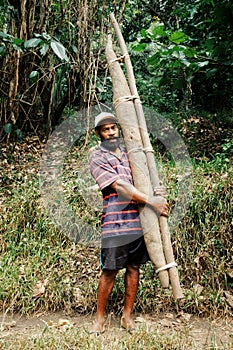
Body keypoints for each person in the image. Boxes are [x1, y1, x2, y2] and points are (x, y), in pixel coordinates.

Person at [89, 112, 168, 334]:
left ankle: (127, 317)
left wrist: (157, 193)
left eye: (113, 128)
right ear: (99, 134)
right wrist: (151, 201)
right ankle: (100, 319)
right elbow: (120, 187)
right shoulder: (97, 157)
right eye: (106, 129)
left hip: (137, 222)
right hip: (114, 225)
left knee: (134, 268)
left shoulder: (130, 156)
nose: (111, 132)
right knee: (110, 271)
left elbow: (145, 181)